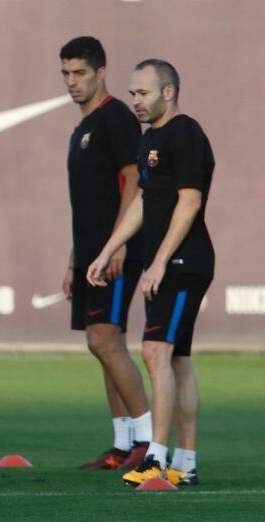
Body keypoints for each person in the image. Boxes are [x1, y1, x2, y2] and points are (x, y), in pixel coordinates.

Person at [87, 59, 214, 487]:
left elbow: (190, 201)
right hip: (169, 264)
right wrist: (109, 249)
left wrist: (159, 260)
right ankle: (187, 462)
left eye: (142, 93)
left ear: (168, 92)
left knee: (155, 351)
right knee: (176, 359)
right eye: (132, 93)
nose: (135, 101)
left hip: (184, 262)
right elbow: (144, 199)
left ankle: (156, 458)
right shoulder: (150, 140)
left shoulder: (187, 133)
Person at [59, 36, 152, 471]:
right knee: (102, 345)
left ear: (101, 72)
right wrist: (76, 258)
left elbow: (135, 180)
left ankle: (149, 442)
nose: (72, 82)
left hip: (116, 253)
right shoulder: (83, 127)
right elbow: (88, 202)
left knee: (105, 339)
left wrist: (119, 243)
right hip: (92, 257)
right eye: (66, 74)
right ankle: (122, 446)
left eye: (80, 73)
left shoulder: (116, 118)